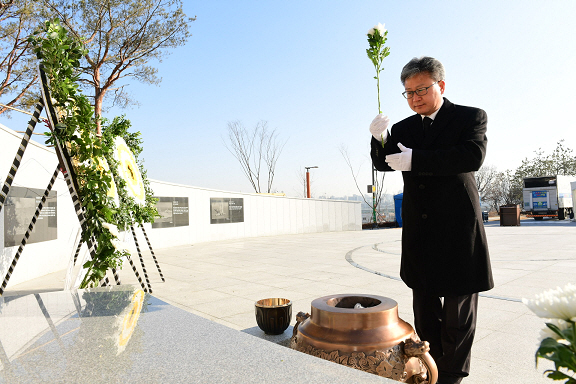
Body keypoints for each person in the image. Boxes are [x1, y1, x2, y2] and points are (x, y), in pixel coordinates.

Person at [369, 56, 494, 384]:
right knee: (424, 309)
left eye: (421, 90)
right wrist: (378, 138)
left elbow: (472, 156)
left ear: (440, 85)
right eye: (408, 93)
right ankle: (431, 367)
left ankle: (451, 376)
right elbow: (385, 163)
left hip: (457, 226)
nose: (414, 98)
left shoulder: (469, 117)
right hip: (421, 227)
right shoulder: (406, 127)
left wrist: (417, 159)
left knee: (457, 313)